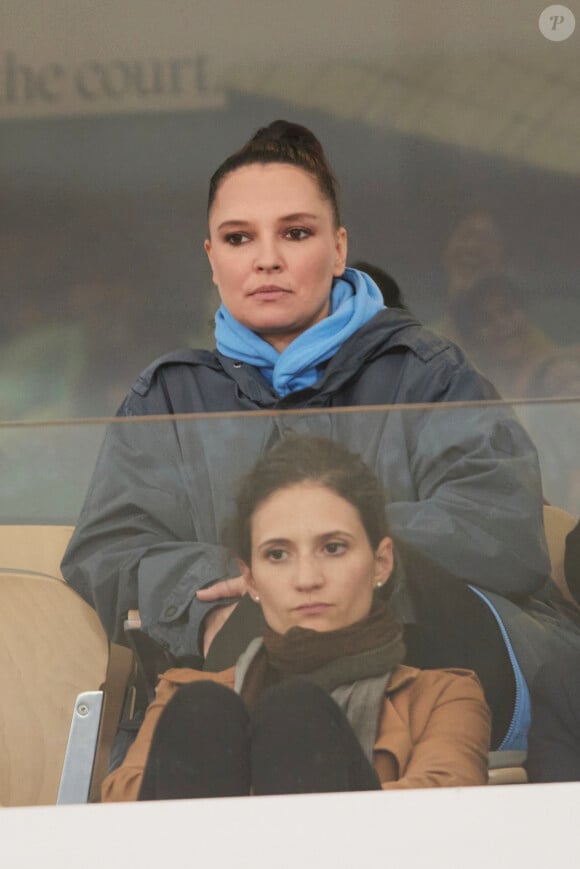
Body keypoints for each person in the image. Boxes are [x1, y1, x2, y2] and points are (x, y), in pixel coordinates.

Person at [62, 120, 553, 677]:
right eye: (238, 237)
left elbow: (501, 525)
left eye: (295, 233)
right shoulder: (168, 397)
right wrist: (235, 583)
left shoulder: (425, 371)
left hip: (420, 685)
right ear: (212, 258)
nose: (266, 259)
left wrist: (319, 557)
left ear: (339, 248)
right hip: (236, 691)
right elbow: (106, 551)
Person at [102, 435, 491, 801]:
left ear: (381, 562)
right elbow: (119, 826)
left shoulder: (444, 697)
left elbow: (444, 823)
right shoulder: (184, 696)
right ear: (250, 579)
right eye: (277, 555)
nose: (307, 579)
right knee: (207, 711)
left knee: (296, 714)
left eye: (333, 548)